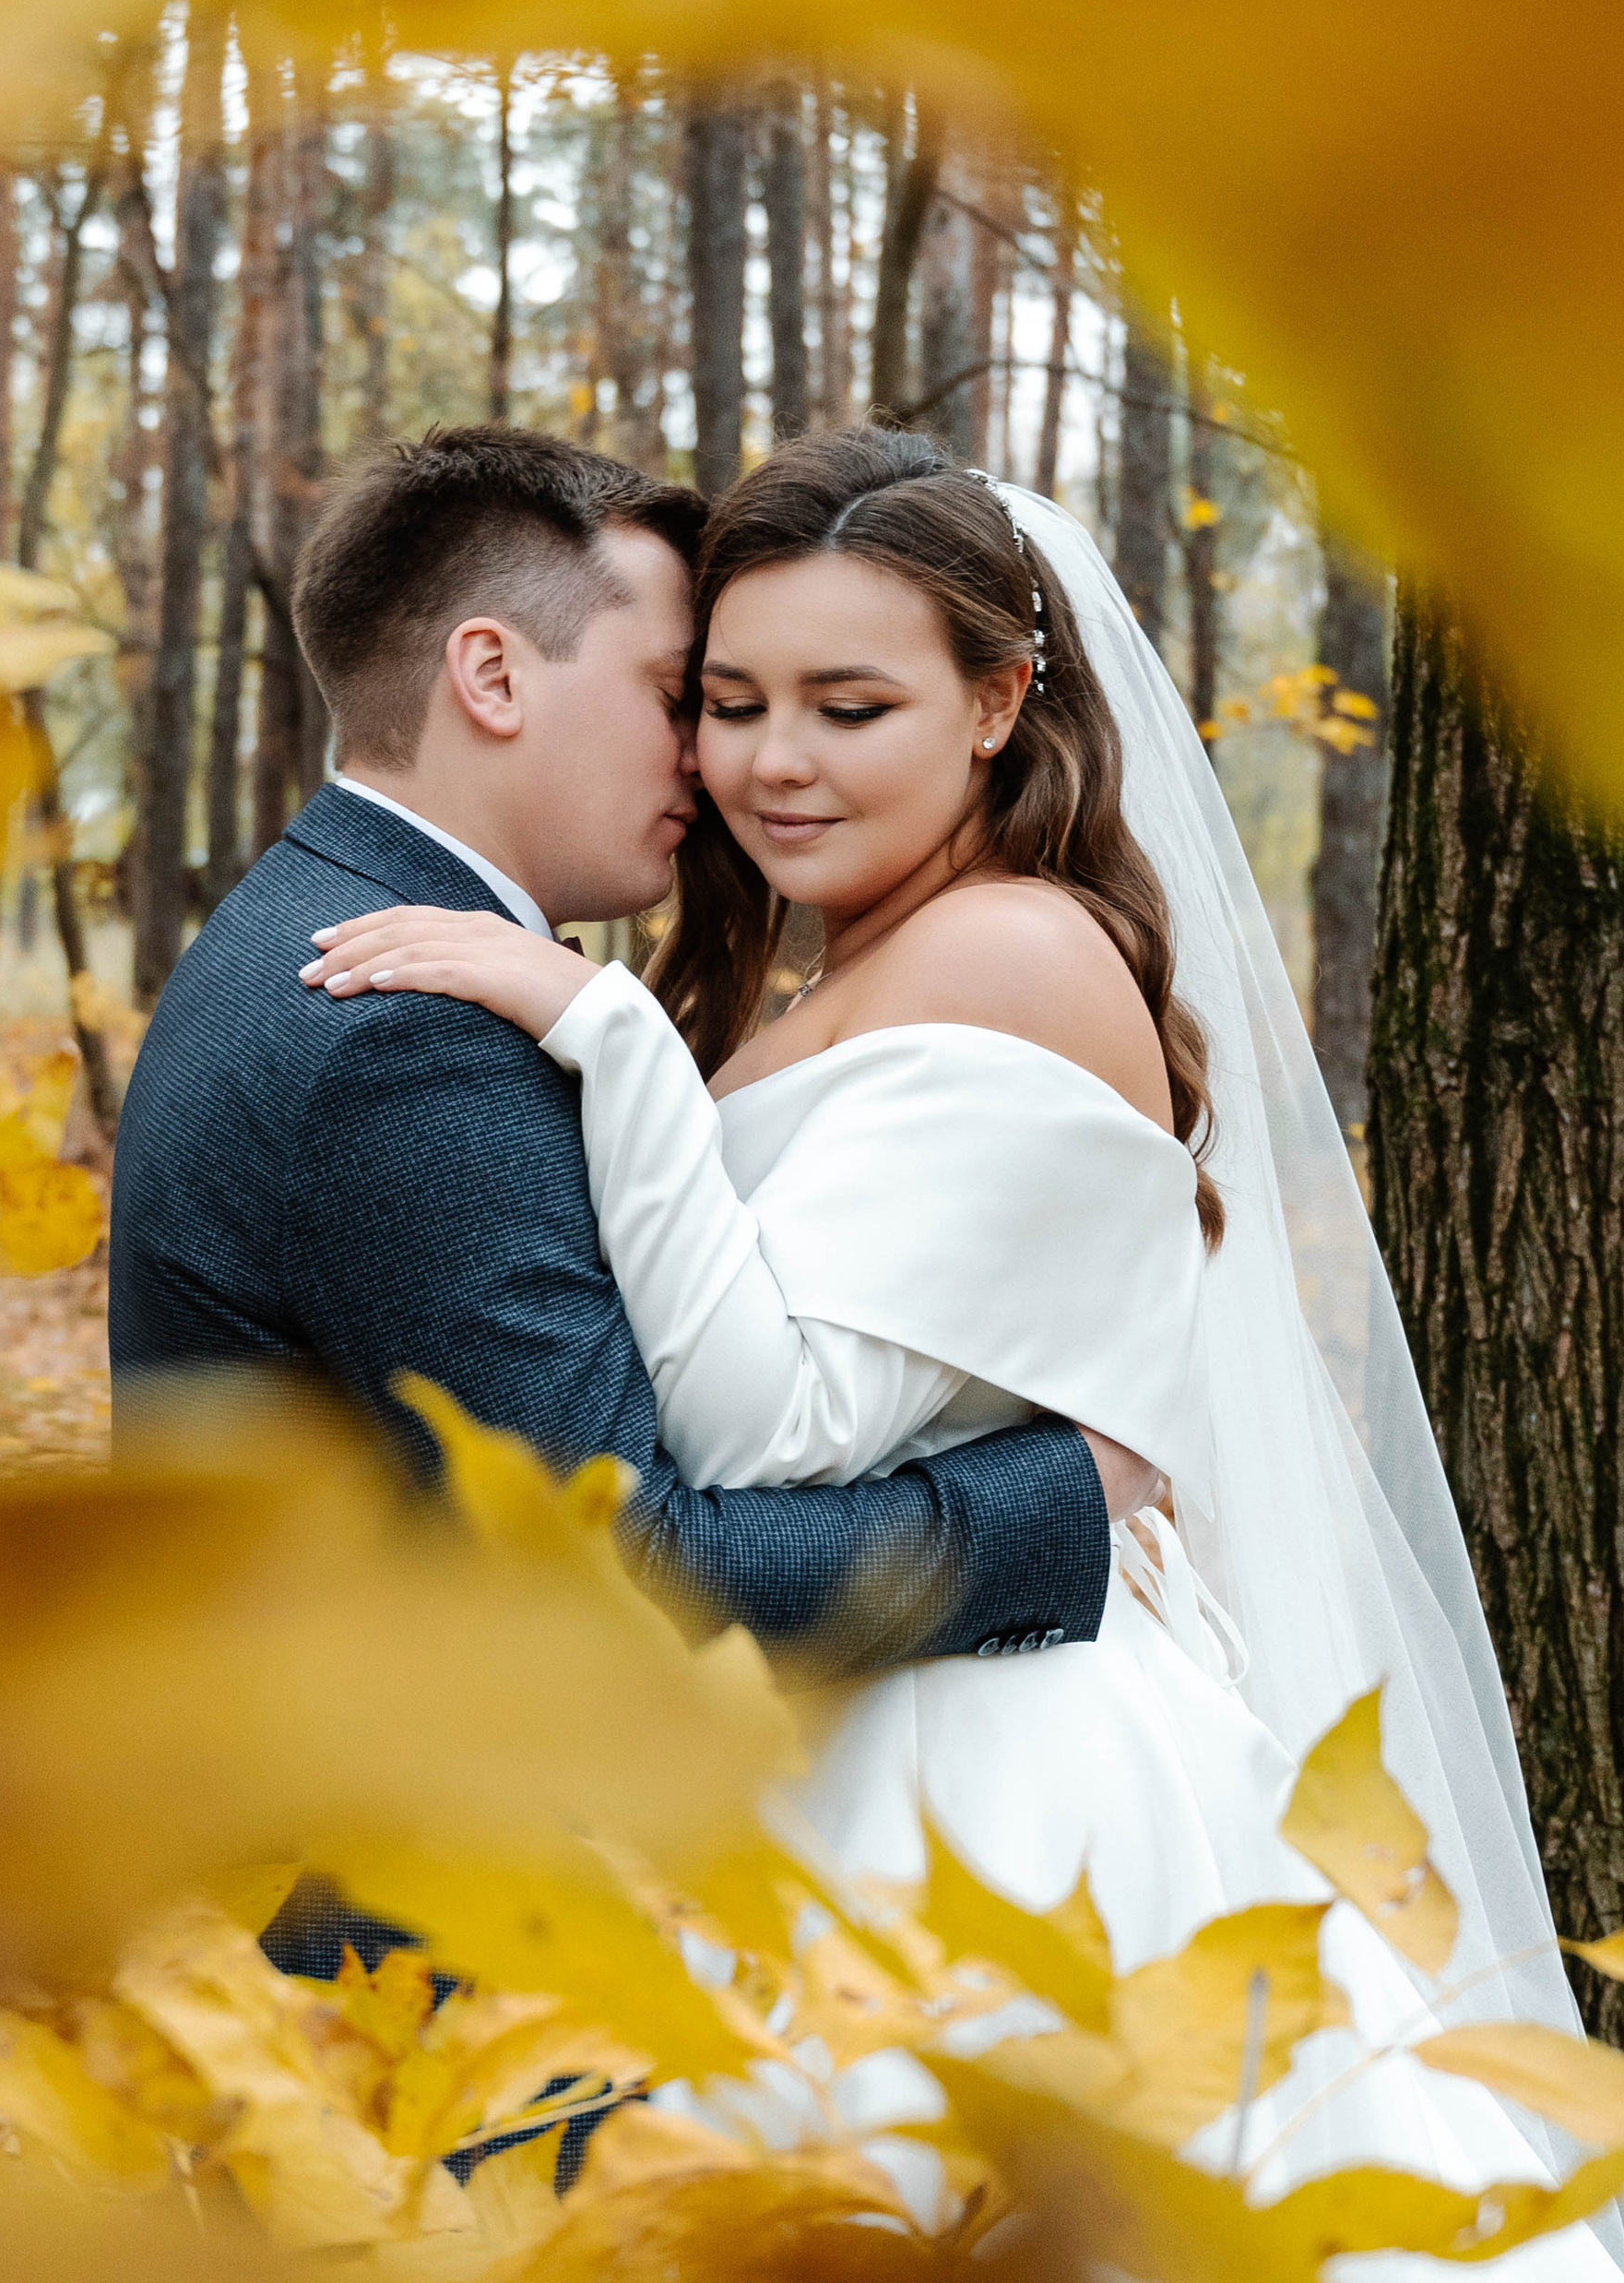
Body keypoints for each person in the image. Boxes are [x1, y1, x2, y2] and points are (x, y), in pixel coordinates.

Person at [299, 427, 1624, 2283]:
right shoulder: (831, 959)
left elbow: (768, 1425)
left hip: (1011, 1780)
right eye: (735, 701)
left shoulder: (1012, 959)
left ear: (1004, 700)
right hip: (879, 1730)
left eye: (852, 706)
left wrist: (596, 1041)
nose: (773, 762)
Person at [111, 426, 1143, 1719]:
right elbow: (638, 1566)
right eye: (693, 697)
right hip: (405, 1881)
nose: (729, 769)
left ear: (995, 701)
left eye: (844, 705)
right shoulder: (403, 1028)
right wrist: (1062, 1500)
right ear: (490, 674)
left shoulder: (324, 920)